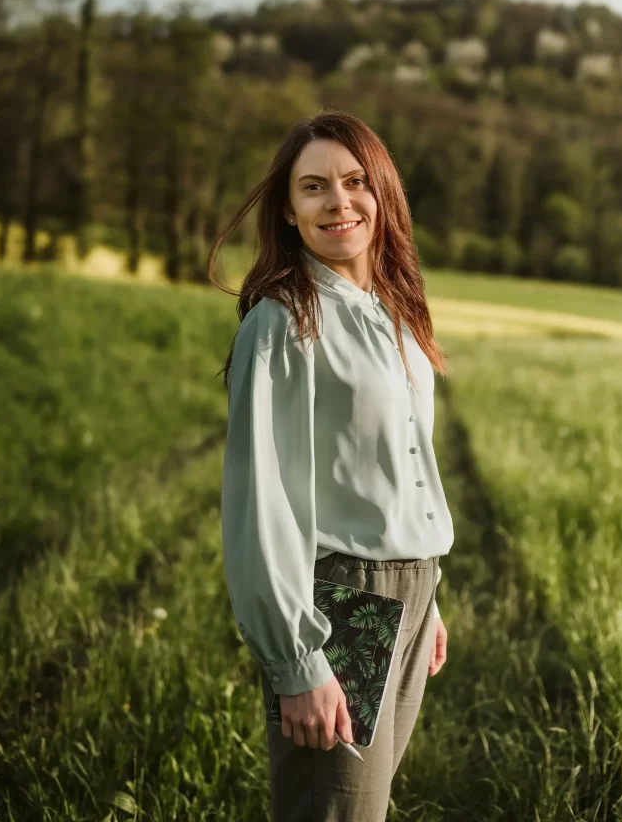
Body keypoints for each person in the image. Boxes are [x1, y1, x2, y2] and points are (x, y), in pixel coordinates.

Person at [210, 110, 455, 821]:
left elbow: (403, 465)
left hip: (410, 593)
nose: (337, 202)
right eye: (313, 187)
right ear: (288, 210)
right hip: (341, 603)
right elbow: (263, 501)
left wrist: (425, 598)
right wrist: (297, 662)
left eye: (354, 182)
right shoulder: (284, 321)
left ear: (381, 193)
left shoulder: (397, 311)